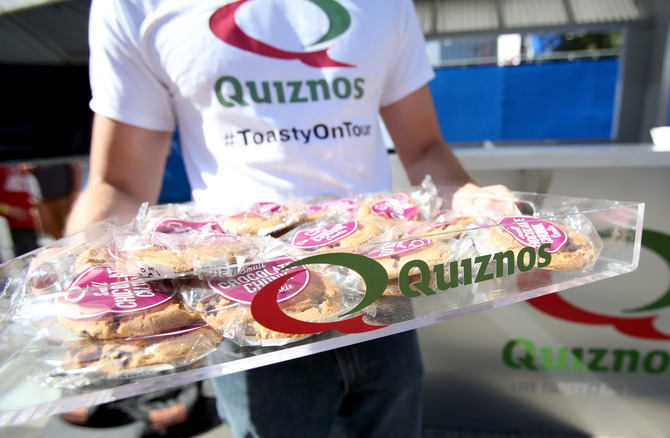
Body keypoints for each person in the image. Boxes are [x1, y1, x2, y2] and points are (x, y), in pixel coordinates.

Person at [66, 1, 514, 437]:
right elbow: (121, 183)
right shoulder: (135, 5)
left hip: (383, 291)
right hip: (242, 305)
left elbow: (422, 148)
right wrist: (73, 277)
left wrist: (469, 197)